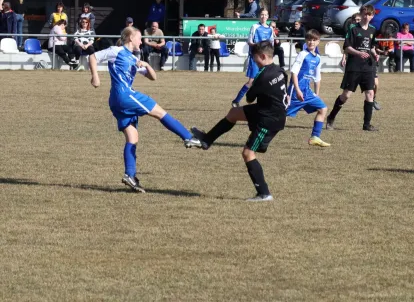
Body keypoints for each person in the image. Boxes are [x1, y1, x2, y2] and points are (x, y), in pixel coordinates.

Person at [89, 27, 202, 193]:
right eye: (139, 38)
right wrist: (95, 76)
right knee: (159, 112)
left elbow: (153, 77)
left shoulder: (134, 58)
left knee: (132, 137)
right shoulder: (117, 51)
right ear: (129, 38)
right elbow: (93, 56)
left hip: (117, 100)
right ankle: (188, 137)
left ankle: (130, 175)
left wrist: (146, 65)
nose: (141, 41)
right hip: (125, 95)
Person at [191, 41, 288, 201]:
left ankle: (264, 193)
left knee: (248, 153)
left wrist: (253, 83)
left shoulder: (263, 75)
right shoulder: (279, 70)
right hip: (267, 110)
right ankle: (207, 140)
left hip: (269, 119)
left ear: (263, 56)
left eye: (255, 58)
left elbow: (249, 99)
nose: (254, 62)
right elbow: (285, 82)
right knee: (234, 113)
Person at [326, 5, 378, 131]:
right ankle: (331, 117)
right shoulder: (353, 28)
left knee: (370, 93)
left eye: (368, 15)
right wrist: (359, 53)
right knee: (346, 95)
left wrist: (375, 53)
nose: (366, 17)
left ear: (372, 16)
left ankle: (366, 125)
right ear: (361, 14)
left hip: (368, 66)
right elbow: (347, 47)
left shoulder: (372, 30)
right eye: (364, 14)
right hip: (354, 66)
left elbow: (371, 46)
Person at [287, 29, 330, 147]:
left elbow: (317, 77)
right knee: (280, 115)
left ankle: (315, 137)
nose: (311, 42)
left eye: (314, 40)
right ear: (306, 41)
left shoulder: (318, 58)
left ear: (318, 42)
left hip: (307, 91)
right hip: (296, 91)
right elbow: (294, 73)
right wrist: (297, 90)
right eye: (309, 40)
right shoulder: (303, 54)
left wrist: (317, 93)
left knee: (323, 109)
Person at [231, 8, 274, 107]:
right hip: (256, 58)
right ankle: (236, 101)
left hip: (266, 59)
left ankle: (265, 102)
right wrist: (258, 46)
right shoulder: (254, 26)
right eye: (262, 14)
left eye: (265, 15)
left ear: (268, 16)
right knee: (251, 81)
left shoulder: (270, 29)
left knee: (266, 80)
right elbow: (249, 41)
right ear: (259, 16)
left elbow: (271, 44)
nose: (264, 17)